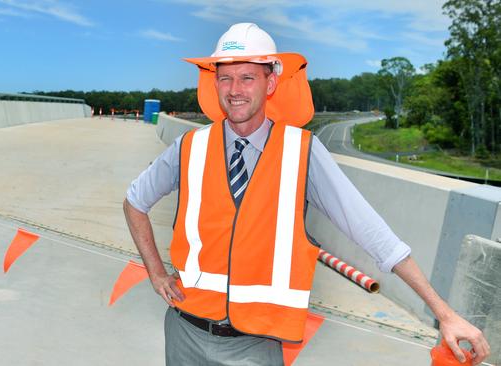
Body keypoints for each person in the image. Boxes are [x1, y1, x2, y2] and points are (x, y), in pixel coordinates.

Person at [123, 23, 490, 366]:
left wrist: (444, 314)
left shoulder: (303, 152)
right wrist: (156, 274)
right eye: (226, 78)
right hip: (184, 333)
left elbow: (372, 232)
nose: (234, 90)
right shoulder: (190, 146)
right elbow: (135, 202)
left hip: (254, 345)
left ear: (271, 83)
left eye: (247, 77)